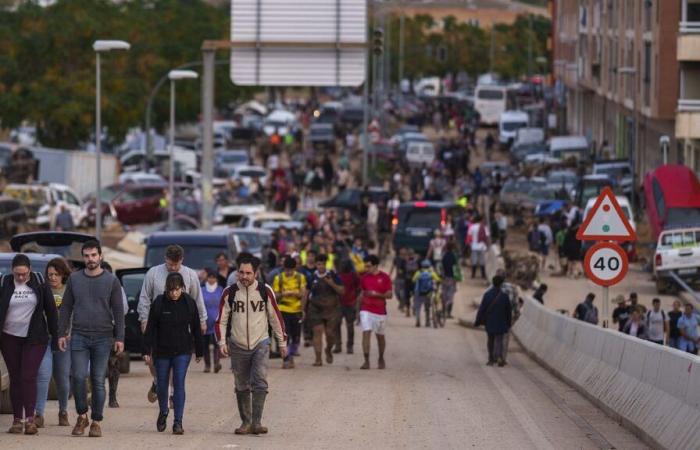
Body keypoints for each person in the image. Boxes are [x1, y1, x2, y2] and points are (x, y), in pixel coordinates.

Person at [57, 240, 125, 438]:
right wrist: (62, 333)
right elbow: (66, 307)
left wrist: (119, 337)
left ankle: (96, 421)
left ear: (100, 256)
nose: (90, 259)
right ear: (83, 257)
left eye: (94, 255)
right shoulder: (74, 279)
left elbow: (119, 312)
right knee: (77, 376)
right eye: (86, 256)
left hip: (103, 337)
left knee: (97, 380)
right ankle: (82, 416)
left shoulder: (111, 281)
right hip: (79, 335)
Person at [216, 252, 287, 435]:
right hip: (237, 345)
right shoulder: (230, 292)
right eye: (241, 272)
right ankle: (245, 422)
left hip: (261, 343)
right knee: (241, 384)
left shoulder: (265, 291)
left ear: (256, 273)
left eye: (248, 273)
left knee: (260, 381)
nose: (244, 276)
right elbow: (221, 320)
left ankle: (257, 422)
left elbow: (275, 317)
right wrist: (222, 342)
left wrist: (282, 342)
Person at [138, 245, 207, 404]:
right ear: (165, 259)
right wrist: (144, 319)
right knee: (153, 360)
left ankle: (172, 394)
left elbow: (197, 300)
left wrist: (202, 320)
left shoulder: (190, 275)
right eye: (170, 264)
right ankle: (157, 381)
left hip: (181, 327)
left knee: (176, 362)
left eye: (176, 264)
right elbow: (144, 298)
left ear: (182, 260)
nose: (173, 268)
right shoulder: (153, 274)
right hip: (157, 325)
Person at [0, 254, 58, 435]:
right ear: (12, 271)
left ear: (30, 270)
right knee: (15, 378)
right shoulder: (4, 283)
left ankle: (31, 420)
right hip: (9, 337)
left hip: (35, 337)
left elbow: (51, 310)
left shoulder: (39, 282)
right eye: (17, 274)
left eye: (24, 274)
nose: (21, 278)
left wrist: (57, 336)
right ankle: (18, 419)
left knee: (28, 376)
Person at [143, 272, 204, 435]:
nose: (174, 293)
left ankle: (178, 422)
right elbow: (150, 328)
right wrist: (146, 350)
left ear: (182, 288)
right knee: (162, 384)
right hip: (162, 351)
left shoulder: (189, 303)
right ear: (166, 289)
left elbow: (196, 327)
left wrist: (199, 350)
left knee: (179, 383)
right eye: (171, 290)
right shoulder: (159, 303)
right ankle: (163, 411)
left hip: (183, 351)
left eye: (177, 290)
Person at [34, 257, 72, 428]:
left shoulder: (70, 291)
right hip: (45, 339)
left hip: (65, 340)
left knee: (62, 378)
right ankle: (39, 414)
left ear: (63, 275)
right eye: (49, 274)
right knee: (43, 376)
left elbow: (75, 314)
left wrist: (69, 333)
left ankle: (63, 411)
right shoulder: (41, 291)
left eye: (56, 274)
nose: (52, 278)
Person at [303, 254, 344, 366]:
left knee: (330, 334)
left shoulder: (333, 275)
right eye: (319, 264)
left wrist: (331, 284)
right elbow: (306, 294)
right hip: (315, 309)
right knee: (318, 332)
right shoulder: (311, 277)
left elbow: (342, 291)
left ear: (326, 264)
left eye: (323, 264)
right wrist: (303, 309)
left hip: (332, 310)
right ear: (316, 264)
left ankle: (328, 350)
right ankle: (318, 359)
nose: (321, 266)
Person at [101, 261, 129, 409]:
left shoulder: (117, 287)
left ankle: (112, 396)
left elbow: (123, 308)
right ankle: (96, 394)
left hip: (112, 329)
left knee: (113, 364)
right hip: (96, 329)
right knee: (96, 364)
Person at [358, 255, 392, 370]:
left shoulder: (385, 277)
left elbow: (390, 295)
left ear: (375, 265)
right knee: (366, 332)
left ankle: (381, 357)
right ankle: (366, 360)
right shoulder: (364, 278)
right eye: (365, 266)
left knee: (380, 336)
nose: (367, 269)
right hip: (366, 309)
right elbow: (362, 293)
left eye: (369, 266)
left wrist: (377, 294)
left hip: (380, 311)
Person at [272, 256, 306, 369]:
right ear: (283, 268)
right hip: (283, 310)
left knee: (296, 337)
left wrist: (302, 308)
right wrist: (283, 294)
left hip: (296, 310)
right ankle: (286, 359)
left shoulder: (301, 278)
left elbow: (303, 294)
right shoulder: (278, 278)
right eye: (287, 270)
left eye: (291, 270)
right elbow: (275, 295)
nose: (289, 272)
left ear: (295, 268)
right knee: (285, 336)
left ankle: (291, 355)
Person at [475, 275, 512, 367]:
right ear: (501, 284)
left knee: (490, 340)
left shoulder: (487, 295)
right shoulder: (505, 296)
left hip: (490, 322)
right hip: (501, 321)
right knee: (499, 340)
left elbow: (482, 309)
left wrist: (478, 320)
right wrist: (508, 322)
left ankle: (491, 359)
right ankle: (499, 357)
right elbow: (508, 311)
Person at [336, 259, 360, 354]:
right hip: (339, 304)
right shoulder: (337, 275)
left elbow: (359, 288)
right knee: (338, 325)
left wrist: (355, 299)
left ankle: (349, 345)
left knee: (349, 326)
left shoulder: (353, 276)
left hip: (350, 303)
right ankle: (339, 345)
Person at [202, 269, 224, 373]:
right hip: (205, 321)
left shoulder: (220, 290)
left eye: (213, 277)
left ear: (216, 279)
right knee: (205, 344)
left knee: (217, 343)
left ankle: (216, 363)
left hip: (217, 321)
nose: (211, 279)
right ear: (207, 278)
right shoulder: (202, 290)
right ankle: (207, 365)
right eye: (210, 277)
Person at [412, 260, 440, 327]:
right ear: (429, 266)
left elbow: (413, 280)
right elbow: (438, 280)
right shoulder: (432, 273)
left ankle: (418, 321)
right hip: (428, 293)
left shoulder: (418, 272)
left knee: (418, 307)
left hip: (419, 293)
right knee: (427, 308)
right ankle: (427, 322)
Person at [441, 242, 459, 319]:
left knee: (444, 295)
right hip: (452, 278)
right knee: (450, 296)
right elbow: (456, 268)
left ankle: (443, 311)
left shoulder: (444, 256)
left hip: (444, 278)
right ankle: (448, 313)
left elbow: (441, 266)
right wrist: (457, 278)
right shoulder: (454, 256)